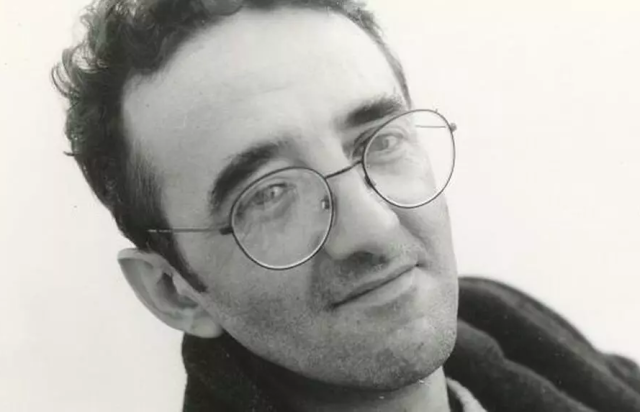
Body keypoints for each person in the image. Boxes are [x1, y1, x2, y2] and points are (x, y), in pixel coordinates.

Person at [52, 0, 640, 411]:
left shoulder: (522, 336)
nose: (374, 227)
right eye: (270, 193)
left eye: (380, 142)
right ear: (174, 291)